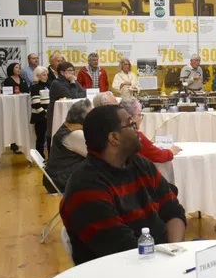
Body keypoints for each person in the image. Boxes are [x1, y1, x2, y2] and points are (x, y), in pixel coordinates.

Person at [60, 105, 187, 265]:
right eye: (131, 124)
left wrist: (174, 251)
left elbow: (174, 211)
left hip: (160, 261)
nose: (138, 128)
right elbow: (124, 252)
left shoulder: (141, 165)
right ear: (114, 138)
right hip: (115, 277)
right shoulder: (86, 187)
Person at [46, 99, 91, 193]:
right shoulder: (75, 134)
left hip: (60, 176)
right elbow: (98, 154)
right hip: (64, 180)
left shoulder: (67, 127)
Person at [119, 98, 181, 164]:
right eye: (139, 115)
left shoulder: (115, 133)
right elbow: (159, 156)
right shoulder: (136, 136)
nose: (140, 118)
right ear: (130, 118)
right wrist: (171, 151)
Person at [47, 61, 86, 138]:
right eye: (70, 70)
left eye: (73, 70)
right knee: (54, 135)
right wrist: (72, 82)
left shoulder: (72, 81)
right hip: (57, 113)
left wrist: (75, 92)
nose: (72, 73)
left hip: (68, 111)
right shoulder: (57, 83)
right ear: (62, 72)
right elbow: (73, 96)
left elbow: (84, 93)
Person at [30, 66, 50, 157]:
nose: (46, 76)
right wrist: (45, 114)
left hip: (48, 115)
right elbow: (35, 104)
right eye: (43, 75)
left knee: (48, 137)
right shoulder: (35, 87)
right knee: (40, 138)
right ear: (38, 76)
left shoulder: (48, 86)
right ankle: (40, 156)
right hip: (40, 116)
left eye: (46, 75)